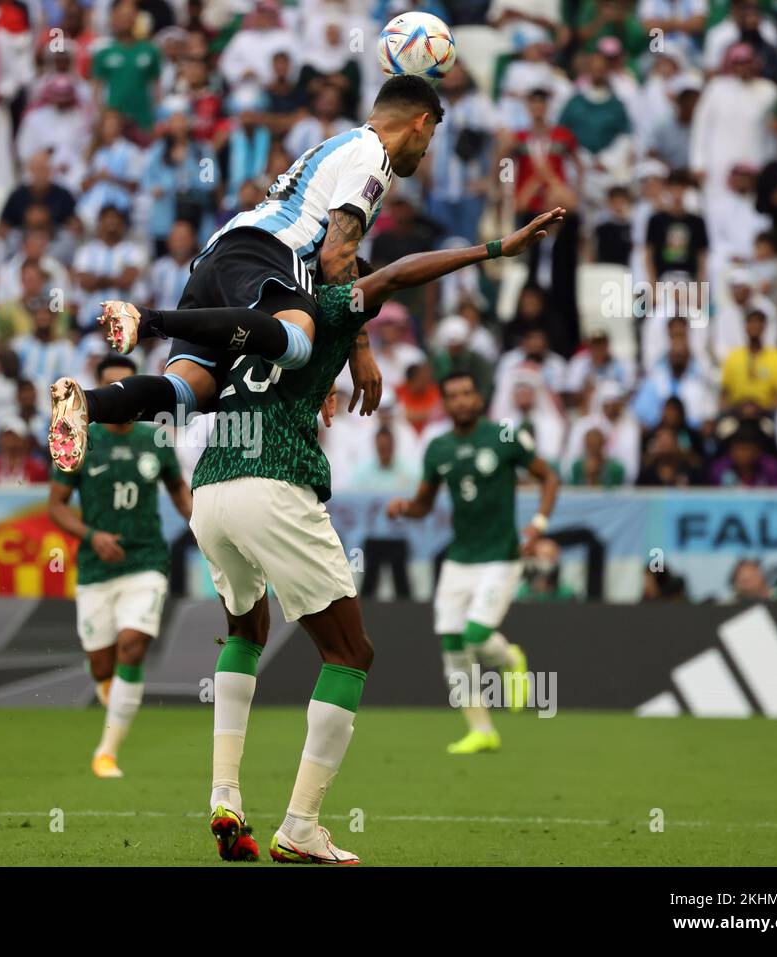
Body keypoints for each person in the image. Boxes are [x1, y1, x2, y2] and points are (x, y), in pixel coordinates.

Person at [108, 207, 563, 862]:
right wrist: (494, 248)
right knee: (351, 652)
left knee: (245, 631)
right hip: (274, 484)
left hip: (210, 487)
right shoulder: (327, 302)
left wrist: (355, 349)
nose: (352, 261)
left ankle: (225, 793)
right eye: (348, 252)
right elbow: (398, 276)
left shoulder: (259, 310)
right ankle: (301, 824)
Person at [48, 75, 450, 472]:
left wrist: (326, 371)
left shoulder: (340, 145)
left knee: (188, 395)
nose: (424, 153)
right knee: (296, 344)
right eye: (428, 143)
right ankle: (149, 319)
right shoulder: (373, 156)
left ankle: (86, 403)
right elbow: (336, 256)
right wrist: (358, 350)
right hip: (269, 251)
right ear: (422, 122)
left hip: (220, 255)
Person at [387, 368, 560, 755]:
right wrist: (405, 508)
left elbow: (549, 477)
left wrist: (539, 523)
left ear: (478, 399)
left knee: (476, 636)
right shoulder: (438, 448)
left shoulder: (503, 437)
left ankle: (511, 657)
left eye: (468, 393)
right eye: (453, 395)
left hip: (501, 555)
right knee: (452, 644)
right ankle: (482, 730)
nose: (462, 400)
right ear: (445, 403)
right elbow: (425, 503)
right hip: (460, 558)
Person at [46, 356, 192, 778]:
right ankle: (118, 704)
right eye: (111, 388)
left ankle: (106, 751)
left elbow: (179, 492)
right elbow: (56, 506)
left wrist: (200, 524)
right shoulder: (79, 438)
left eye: (127, 388)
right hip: (95, 567)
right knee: (102, 665)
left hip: (146, 558)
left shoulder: (157, 440)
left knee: (133, 644)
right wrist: (92, 536)